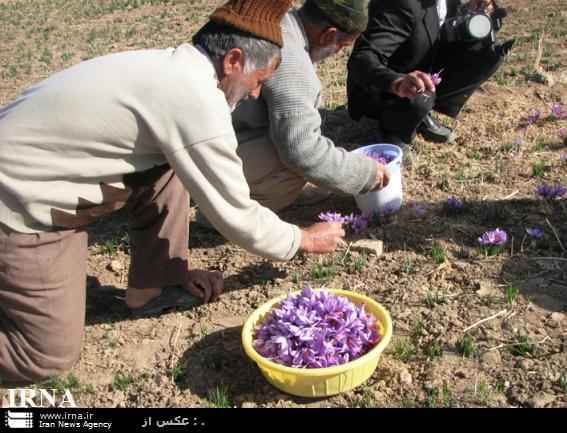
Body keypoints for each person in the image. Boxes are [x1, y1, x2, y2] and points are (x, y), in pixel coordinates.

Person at [0, 0, 346, 384]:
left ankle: (155, 284)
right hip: (17, 204)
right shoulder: (194, 99)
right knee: (43, 355)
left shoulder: (172, 67)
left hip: (34, 176)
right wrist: (302, 239)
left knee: (169, 167)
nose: (253, 94)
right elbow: (236, 215)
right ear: (233, 60)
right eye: (259, 80)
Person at [229, 0, 390, 212]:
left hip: (217, 131)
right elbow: (301, 151)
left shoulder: (280, 20)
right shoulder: (292, 61)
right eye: (342, 46)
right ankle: (234, 211)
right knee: (291, 166)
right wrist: (365, 174)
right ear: (328, 35)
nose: (338, 52)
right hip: (213, 149)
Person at [347, 0, 513, 147]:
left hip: (421, 67)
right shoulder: (401, 3)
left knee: (483, 51)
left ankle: (422, 112)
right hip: (381, 89)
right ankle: (393, 124)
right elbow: (362, 58)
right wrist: (396, 82)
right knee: (417, 93)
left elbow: (441, 31)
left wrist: (472, 12)